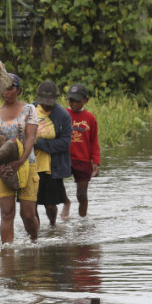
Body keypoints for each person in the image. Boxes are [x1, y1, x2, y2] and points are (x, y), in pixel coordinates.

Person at [0, 73, 39, 244]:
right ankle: (7, 254)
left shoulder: (29, 109)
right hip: (3, 167)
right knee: (7, 213)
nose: (6, 92)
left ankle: (34, 241)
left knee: (28, 214)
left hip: (27, 163)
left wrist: (20, 161)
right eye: (3, 88)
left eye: (10, 88)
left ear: (18, 89)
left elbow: (30, 138)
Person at [32, 80, 72, 226]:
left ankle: (52, 226)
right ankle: (34, 232)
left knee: (50, 204)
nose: (46, 105)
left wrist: (40, 144)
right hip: (31, 164)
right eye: (43, 102)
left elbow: (65, 142)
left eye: (50, 102)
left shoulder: (63, 116)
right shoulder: (29, 110)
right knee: (31, 204)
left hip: (51, 167)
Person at [61, 83, 100, 218]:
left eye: (78, 101)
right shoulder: (63, 114)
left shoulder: (90, 118)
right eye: (71, 100)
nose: (74, 104)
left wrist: (95, 161)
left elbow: (94, 141)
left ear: (86, 100)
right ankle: (66, 201)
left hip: (82, 160)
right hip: (64, 158)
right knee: (56, 187)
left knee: (82, 194)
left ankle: (83, 221)